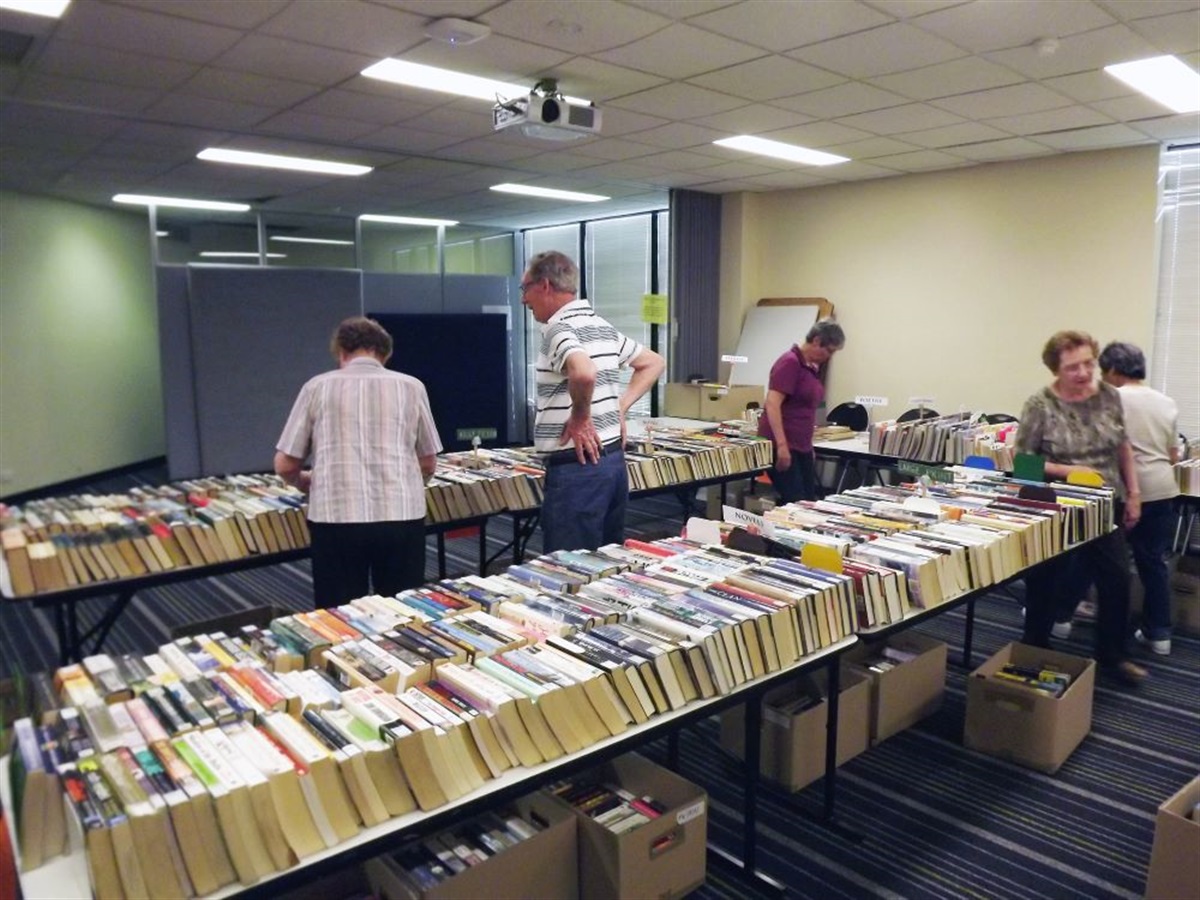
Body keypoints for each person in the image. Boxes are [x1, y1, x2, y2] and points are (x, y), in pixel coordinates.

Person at [274, 316, 442, 608]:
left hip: (336, 520)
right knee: (402, 613)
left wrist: (305, 483)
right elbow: (428, 462)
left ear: (341, 352)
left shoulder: (317, 388)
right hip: (401, 518)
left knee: (340, 617)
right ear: (385, 353)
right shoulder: (411, 387)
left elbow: (285, 464)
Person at [1016, 329, 1146, 685]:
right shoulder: (1039, 405)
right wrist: (1068, 470)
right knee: (1045, 579)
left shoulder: (1108, 396)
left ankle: (1112, 656)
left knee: (1117, 579)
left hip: (1106, 503)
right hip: (1058, 504)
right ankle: (1035, 647)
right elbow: (1023, 465)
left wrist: (1134, 494)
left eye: (1089, 363)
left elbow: (1123, 448)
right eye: (1073, 367)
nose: (1085, 373)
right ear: (1055, 370)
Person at [522, 250, 665, 552]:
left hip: (577, 470)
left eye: (526, 288)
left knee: (568, 570)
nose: (524, 299)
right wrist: (619, 408)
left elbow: (583, 372)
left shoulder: (557, 329)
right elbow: (653, 362)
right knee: (604, 563)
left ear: (545, 285)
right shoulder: (600, 325)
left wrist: (580, 418)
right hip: (612, 465)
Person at [1099, 341, 1180, 655]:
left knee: (1092, 555)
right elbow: (1173, 454)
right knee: (1153, 562)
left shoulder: (1108, 399)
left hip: (1121, 491)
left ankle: (1063, 616)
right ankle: (1159, 634)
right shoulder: (1166, 402)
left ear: (1114, 371)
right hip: (1162, 489)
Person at [758, 320, 846, 503]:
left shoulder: (811, 367)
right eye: (828, 350)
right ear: (816, 340)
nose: (829, 356)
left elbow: (805, 410)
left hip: (801, 446)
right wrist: (781, 446)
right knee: (796, 501)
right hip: (783, 444)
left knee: (809, 501)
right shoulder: (790, 362)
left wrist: (808, 446)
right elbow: (772, 404)